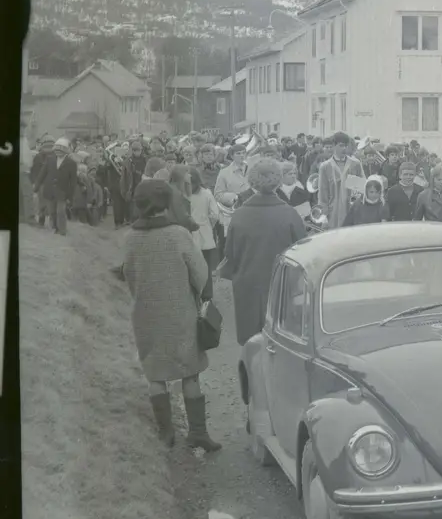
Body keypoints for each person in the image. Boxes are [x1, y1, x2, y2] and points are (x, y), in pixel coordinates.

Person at [122, 179, 219, 452]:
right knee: (189, 372)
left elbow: (129, 276)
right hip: (181, 313)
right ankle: (198, 433)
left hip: (145, 313)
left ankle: (166, 434)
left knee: (155, 374)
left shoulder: (130, 237)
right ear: (166, 203)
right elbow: (200, 274)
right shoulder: (178, 234)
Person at [221, 159, 306, 346]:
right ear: (278, 181)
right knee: (280, 344)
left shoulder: (239, 214)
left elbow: (230, 254)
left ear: (252, 181)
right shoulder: (290, 214)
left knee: (252, 345)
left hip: (247, 288)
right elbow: (303, 254)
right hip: (282, 289)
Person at [317, 132, 366, 230]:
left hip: (351, 210)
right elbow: (323, 194)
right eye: (341, 145)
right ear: (334, 146)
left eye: (346, 146)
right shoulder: (325, 167)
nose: (344, 148)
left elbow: (363, 187)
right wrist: (324, 217)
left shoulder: (355, 163)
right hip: (334, 212)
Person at [187, 167, 223, 289]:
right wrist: (208, 225)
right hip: (202, 233)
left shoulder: (184, 195)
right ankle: (205, 292)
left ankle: (203, 292)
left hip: (193, 233)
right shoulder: (206, 193)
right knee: (202, 266)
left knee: (199, 265)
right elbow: (214, 215)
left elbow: (215, 215)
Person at [33, 137, 77, 236]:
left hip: (62, 191)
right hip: (49, 190)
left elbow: (73, 181)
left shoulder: (71, 163)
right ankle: (55, 228)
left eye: (61, 150)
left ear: (66, 151)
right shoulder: (50, 160)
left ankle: (62, 231)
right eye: (56, 150)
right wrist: (36, 187)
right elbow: (42, 174)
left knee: (60, 211)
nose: (58, 152)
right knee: (52, 212)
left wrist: (71, 196)